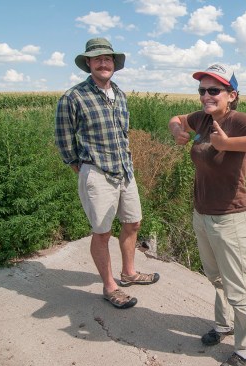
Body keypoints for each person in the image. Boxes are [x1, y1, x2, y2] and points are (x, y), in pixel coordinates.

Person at [169, 64, 246, 366]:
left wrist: (228, 144)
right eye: (202, 90)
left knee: (240, 287)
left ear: (232, 95)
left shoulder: (238, 121)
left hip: (231, 218)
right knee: (217, 278)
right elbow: (177, 119)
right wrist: (179, 132)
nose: (206, 96)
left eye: (214, 90)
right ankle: (223, 325)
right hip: (202, 214)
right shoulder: (203, 118)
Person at [55, 38, 159, 309]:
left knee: (133, 222)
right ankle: (110, 286)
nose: (103, 63)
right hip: (97, 172)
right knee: (102, 232)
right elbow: (64, 137)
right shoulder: (74, 96)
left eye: (108, 58)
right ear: (88, 63)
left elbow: (122, 134)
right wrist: (77, 164)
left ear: (114, 64)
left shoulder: (120, 95)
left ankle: (129, 272)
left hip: (125, 170)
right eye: (97, 58)